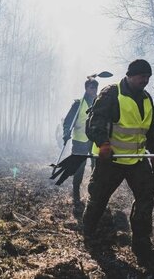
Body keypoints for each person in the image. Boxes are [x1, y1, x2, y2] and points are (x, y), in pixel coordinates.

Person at [82, 59, 154, 266]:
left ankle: (141, 245)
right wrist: (103, 144)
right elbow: (94, 123)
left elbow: (150, 128)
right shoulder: (111, 93)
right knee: (98, 199)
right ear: (129, 75)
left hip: (137, 160)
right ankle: (89, 234)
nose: (145, 80)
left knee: (146, 196)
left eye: (147, 77)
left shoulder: (147, 99)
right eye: (141, 76)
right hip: (112, 160)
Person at [62, 78, 99, 212]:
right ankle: (76, 194)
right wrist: (66, 132)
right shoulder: (78, 105)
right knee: (79, 168)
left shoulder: (100, 103)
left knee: (97, 167)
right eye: (91, 87)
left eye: (95, 87)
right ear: (86, 89)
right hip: (79, 140)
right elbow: (68, 121)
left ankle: (94, 194)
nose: (93, 90)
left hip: (95, 141)